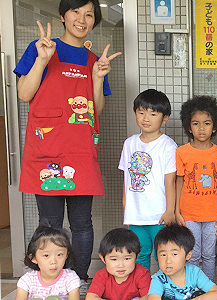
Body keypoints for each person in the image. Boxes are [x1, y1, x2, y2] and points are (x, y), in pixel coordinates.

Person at [13, 0, 121, 290]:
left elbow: (95, 110)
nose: (82, 19)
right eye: (76, 12)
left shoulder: (92, 59)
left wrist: (98, 78)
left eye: (89, 14)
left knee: (82, 223)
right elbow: (24, 94)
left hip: (80, 148)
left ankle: (78, 280)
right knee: (49, 222)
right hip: (46, 147)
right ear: (63, 16)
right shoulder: (41, 48)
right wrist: (42, 59)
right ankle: (48, 281)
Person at [119, 89, 177, 270]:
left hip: (159, 215)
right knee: (140, 255)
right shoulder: (129, 143)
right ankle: (143, 294)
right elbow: (126, 179)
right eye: (141, 112)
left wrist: (170, 211)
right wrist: (125, 207)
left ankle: (163, 293)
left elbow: (170, 181)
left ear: (164, 118)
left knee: (165, 256)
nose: (146, 118)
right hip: (136, 215)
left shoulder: (168, 145)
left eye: (153, 114)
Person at [176, 95, 217, 281]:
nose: (201, 128)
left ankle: (208, 288)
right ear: (189, 127)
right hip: (188, 214)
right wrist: (176, 211)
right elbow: (179, 182)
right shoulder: (181, 152)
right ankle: (192, 287)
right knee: (192, 254)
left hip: (213, 214)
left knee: (209, 254)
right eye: (196, 123)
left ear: (214, 126)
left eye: (206, 123)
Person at [148, 224, 217, 300]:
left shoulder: (194, 273)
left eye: (174, 254)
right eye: (163, 255)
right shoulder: (159, 279)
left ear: (188, 255)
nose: (168, 261)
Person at [15, 225, 80, 300]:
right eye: (46, 255)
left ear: (66, 255)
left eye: (59, 254)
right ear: (33, 258)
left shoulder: (70, 278)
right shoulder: (27, 280)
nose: (53, 262)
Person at [86, 228, 151, 300]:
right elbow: (90, 297)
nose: (121, 265)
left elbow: (149, 297)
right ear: (102, 258)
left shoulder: (142, 273)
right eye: (114, 259)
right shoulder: (101, 276)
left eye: (127, 258)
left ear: (137, 256)